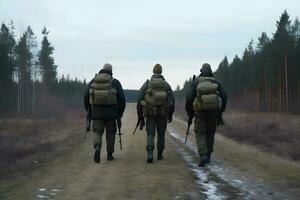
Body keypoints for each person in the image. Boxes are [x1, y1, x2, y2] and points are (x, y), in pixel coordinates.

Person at [185, 63, 227, 167]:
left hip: (200, 112)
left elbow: (189, 97)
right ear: (210, 71)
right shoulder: (216, 82)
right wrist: (221, 111)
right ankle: (208, 154)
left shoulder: (196, 82)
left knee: (200, 133)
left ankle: (203, 155)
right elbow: (224, 96)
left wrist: (190, 113)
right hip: (213, 112)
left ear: (201, 71)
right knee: (210, 133)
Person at [84, 63, 126, 163]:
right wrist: (119, 113)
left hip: (97, 113)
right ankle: (109, 154)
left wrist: (88, 109)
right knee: (110, 134)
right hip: (111, 114)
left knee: (97, 132)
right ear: (111, 71)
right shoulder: (115, 82)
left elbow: (86, 96)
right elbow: (122, 99)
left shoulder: (93, 81)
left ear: (102, 70)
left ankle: (98, 147)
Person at [137, 63, 175, 163]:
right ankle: (159, 154)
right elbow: (172, 101)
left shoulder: (147, 84)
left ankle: (150, 154)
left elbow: (139, 100)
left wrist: (141, 118)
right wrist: (170, 115)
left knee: (150, 133)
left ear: (153, 71)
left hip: (150, 113)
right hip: (163, 114)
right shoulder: (166, 84)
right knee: (161, 133)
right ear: (161, 71)